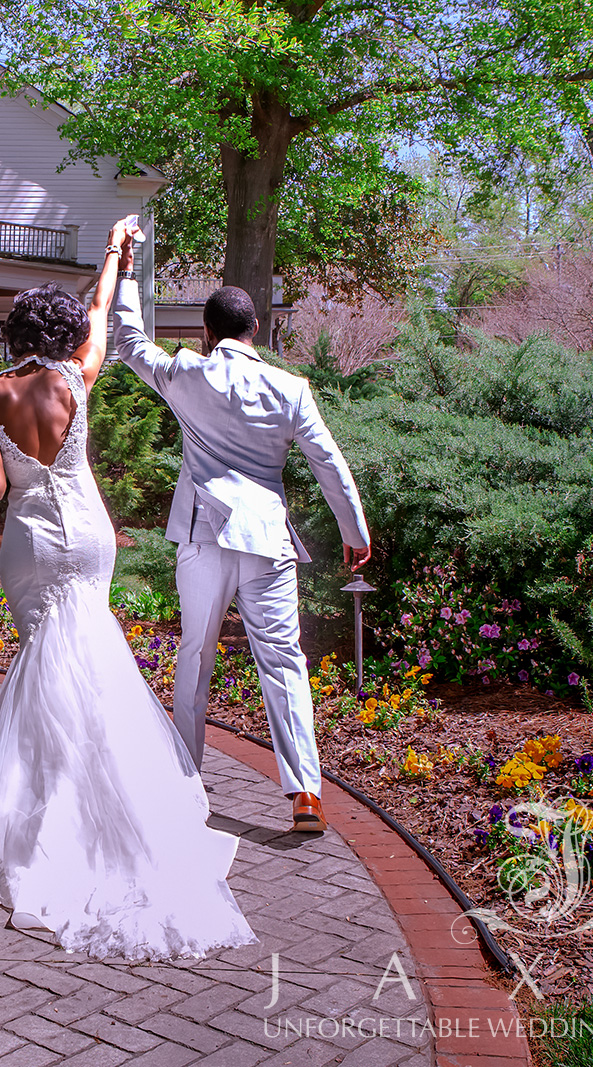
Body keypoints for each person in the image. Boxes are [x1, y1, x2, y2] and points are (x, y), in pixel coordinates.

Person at [0, 222, 255, 961]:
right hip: (88, 534)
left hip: (31, 542)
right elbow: (103, 313)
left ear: (15, 334)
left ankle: (56, 806)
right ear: (66, 331)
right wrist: (114, 254)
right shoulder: (76, 376)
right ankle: (116, 796)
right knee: (91, 656)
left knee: (46, 661)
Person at [111, 219, 372, 832]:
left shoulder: (187, 374)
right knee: (283, 659)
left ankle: (183, 782)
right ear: (257, 329)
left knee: (195, 653)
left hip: (205, 532)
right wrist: (353, 530)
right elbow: (328, 461)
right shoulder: (292, 388)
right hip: (268, 539)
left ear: (207, 332)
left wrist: (126, 273)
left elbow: (125, 339)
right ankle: (306, 792)